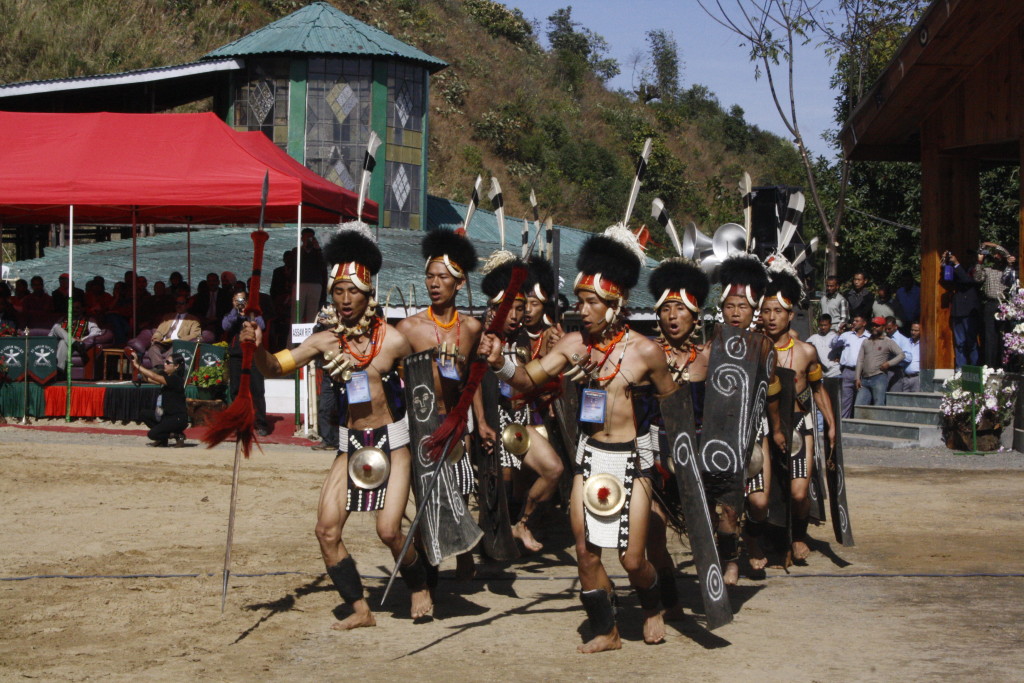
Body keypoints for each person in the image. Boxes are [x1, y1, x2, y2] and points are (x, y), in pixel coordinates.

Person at [481, 227, 673, 652]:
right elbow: (528, 378)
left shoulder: (646, 352)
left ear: (615, 303)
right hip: (590, 461)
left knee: (632, 558)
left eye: (592, 303)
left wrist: (675, 458)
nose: (582, 311)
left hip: (632, 463)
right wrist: (498, 364)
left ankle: (652, 606)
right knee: (586, 554)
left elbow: (672, 407)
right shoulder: (571, 343)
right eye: (581, 302)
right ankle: (608, 631)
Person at [246, 222, 431, 628]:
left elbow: (427, 387)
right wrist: (255, 345)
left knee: (389, 531)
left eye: (353, 292)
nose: (345, 300)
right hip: (351, 446)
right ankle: (360, 609)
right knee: (326, 531)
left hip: (393, 442)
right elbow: (276, 366)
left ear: (369, 295)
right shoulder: (325, 341)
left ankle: (418, 584)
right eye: (339, 291)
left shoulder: (395, 340)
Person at [396, 228, 485, 582]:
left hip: (456, 419)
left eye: (442, 277)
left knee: (461, 489)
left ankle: (464, 550)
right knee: (426, 499)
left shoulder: (472, 327)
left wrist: (481, 421)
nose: (434, 283)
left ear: (459, 283)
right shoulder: (408, 328)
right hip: (421, 423)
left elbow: (474, 378)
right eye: (429, 277)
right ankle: (427, 578)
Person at [475, 252, 564, 553]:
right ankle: (488, 542)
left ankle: (522, 523)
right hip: (489, 422)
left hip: (517, 423)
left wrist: (553, 350)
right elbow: (472, 383)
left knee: (553, 469)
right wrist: (481, 422)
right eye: (508, 309)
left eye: (520, 309)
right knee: (500, 484)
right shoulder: (482, 336)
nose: (515, 316)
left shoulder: (526, 339)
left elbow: (532, 376)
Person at [757, 263, 836, 562]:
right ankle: (764, 539)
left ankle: (799, 535)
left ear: (790, 315)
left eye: (778, 311)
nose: (772, 316)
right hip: (762, 427)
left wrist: (830, 424)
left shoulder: (806, 352)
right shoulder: (754, 349)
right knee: (765, 490)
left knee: (799, 492)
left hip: (800, 426)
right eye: (766, 310)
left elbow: (817, 389)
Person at [646, 257, 710, 616]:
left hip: (700, 453)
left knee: (710, 525)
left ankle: (716, 576)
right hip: (656, 449)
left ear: (695, 315)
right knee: (655, 531)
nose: (672, 316)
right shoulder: (645, 353)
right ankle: (668, 594)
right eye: (666, 308)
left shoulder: (712, 358)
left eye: (680, 309)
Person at [222, 290, 270, 437]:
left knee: (257, 390)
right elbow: (225, 326)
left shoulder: (255, 313)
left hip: (254, 355)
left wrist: (250, 314)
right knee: (235, 390)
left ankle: (260, 423)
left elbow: (261, 326)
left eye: (243, 300)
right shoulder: (232, 314)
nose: (241, 303)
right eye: (238, 300)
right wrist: (235, 310)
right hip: (237, 356)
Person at [132, 351, 189, 448]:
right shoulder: (168, 378)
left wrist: (137, 365)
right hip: (167, 416)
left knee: (152, 435)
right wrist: (138, 363)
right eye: (165, 362)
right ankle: (163, 439)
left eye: (168, 362)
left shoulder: (176, 379)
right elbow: (149, 379)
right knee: (144, 413)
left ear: (176, 366)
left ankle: (178, 435)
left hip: (177, 418)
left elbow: (154, 376)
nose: (165, 364)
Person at [974, 242, 1014, 368]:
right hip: (991, 304)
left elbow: (1006, 254)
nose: (996, 257)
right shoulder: (988, 270)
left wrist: (991, 244)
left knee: (1004, 336)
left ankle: (1005, 366)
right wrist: (979, 262)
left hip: (1005, 305)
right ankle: (990, 367)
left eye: (998, 256)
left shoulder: (1008, 270)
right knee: (990, 337)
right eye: (995, 256)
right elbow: (977, 278)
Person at [941, 250, 980, 367]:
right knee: (959, 343)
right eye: (967, 256)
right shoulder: (960, 269)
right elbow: (948, 279)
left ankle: (975, 368)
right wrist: (945, 264)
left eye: (971, 256)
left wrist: (957, 264)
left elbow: (967, 280)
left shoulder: (977, 270)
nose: (968, 259)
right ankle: (960, 369)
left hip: (970, 312)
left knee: (971, 342)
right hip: (958, 311)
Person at [855, 316, 904, 407]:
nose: (874, 328)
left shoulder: (887, 341)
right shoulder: (866, 341)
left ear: (883, 327)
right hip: (864, 379)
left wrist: (888, 363)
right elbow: (860, 360)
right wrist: (857, 377)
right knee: (859, 406)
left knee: (879, 405)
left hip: (879, 378)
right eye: (873, 325)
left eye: (877, 326)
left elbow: (901, 355)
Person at [147, 296, 202, 368]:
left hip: (177, 344)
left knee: (173, 351)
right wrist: (156, 337)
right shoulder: (168, 317)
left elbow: (195, 334)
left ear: (187, 305)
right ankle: (159, 368)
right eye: (177, 303)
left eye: (181, 303)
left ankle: (166, 370)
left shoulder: (193, 320)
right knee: (153, 349)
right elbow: (159, 331)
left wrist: (178, 341)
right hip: (164, 343)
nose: (178, 305)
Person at [833, 314, 870, 418]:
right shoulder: (846, 335)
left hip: (862, 373)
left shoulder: (869, 337)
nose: (854, 323)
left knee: (861, 400)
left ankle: (857, 424)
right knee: (845, 400)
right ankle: (844, 424)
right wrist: (838, 333)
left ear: (864, 323)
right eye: (854, 321)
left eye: (857, 321)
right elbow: (833, 345)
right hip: (847, 371)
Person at [48, 300, 101, 372]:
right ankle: (74, 343)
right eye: (72, 308)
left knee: (63, 341)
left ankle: (59, 370)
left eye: (77, 308)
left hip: (76, 347)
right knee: (58, 331)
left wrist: (83, 339)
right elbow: (51, 334)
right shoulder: (62, 319)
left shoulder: (89, 320)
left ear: (82, 309)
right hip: (67, 344)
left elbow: (96, 332)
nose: (74, 310)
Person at [298, 228, 327, 323]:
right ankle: (293, 336)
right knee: (297, 313)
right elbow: (294, 265)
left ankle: (311, 334)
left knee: (312, 312)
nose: (309, 240)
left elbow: (323, 266)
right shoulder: (297, 252)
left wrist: (317, 249)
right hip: (300, 283)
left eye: (310, 238)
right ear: (302, 238)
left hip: (315, 283)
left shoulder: (318, 252)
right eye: (307, 238)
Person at [884, 316, 912, 390]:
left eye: (889, 328)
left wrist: (896, 356)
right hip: (883, 370)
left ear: (895, 327)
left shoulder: (903, 340)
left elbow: (909, 357)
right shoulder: (883, 338)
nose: (887, 331)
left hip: (896, 370)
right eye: (885, 328)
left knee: (894, 395)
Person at [895, 322, 922, 392]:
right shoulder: (906, 341)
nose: (913, 332)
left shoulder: (924, 344)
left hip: (917, 378)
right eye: (912, 330)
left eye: (916, 331)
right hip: (905, 377)